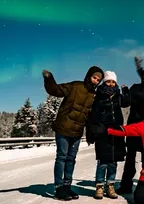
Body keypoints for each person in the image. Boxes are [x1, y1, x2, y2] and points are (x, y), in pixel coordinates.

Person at [42, 66, 104, 201]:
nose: (96, 81)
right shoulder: (75, 86)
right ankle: (59, 188)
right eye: (94, 78)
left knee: (71, 160)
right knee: (62, 157)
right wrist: (49, 79)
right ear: (89, 76)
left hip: (77, 132)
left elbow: (90, 116)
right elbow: (55, 90)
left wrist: (89, 133)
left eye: (98, 80)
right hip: (63, 128)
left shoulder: (93, 95)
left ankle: (67, 186)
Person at [116, 57, 144, 195]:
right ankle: (126, 185)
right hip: (134, 126)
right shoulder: (135, 87)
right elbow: (125, 103)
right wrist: (124, 92)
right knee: (130, 158)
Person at [86, 71, 131, 199]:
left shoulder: (118, 95)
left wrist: (125, 91)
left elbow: (127, 102)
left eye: (113, 82)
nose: (111, 84)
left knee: (113, 161)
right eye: (108, 81)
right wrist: (94, 130)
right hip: (103, 132)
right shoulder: (98, 95)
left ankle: (110, 185)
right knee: (103, 161)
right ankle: (99, 186)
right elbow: (93, 114)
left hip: (116, 131)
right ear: (104, 82)